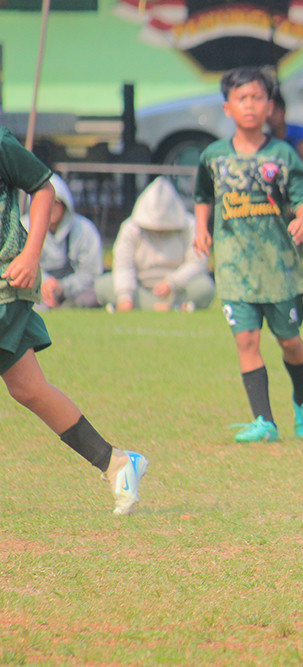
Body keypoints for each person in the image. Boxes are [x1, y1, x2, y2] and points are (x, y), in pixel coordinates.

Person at [0, 125, 148, 514]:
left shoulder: (1, 143)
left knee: (28, 388)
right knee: (28, 388)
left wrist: (31, 254)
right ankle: (115, 462)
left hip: (5, 283)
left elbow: (43, 186)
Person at [193, 66, 303, 443]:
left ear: (270, 106)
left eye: (257, 98)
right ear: (227, 107)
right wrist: (201, 228)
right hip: (233, 267)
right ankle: (264, 421)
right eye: (241, 98)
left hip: (278, 268)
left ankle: (302, 401)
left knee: (289, 341)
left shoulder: (282, 154)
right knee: (246, 341)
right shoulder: (213, 156)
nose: (249, 105)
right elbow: (203, 197)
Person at [95, 176, 215, 312]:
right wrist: (125, 296)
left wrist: (172, 282)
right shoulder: (130, 228)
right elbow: (123, 265)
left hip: (177, 288)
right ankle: (168, 308)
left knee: (204, 287)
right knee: (103, 285)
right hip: (140, 286)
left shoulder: (189, 226)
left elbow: (197, 263)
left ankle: (161, 305)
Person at [21, 173, 102, 309]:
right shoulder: (22, 227)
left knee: (93, 296)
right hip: (34, 289)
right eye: (46, 204)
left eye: (56, 203)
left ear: (65, 204)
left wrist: (62, 287)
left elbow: (91, 272)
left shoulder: (84, 229)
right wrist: (44, 282)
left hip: (75, 292)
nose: (51, 208)